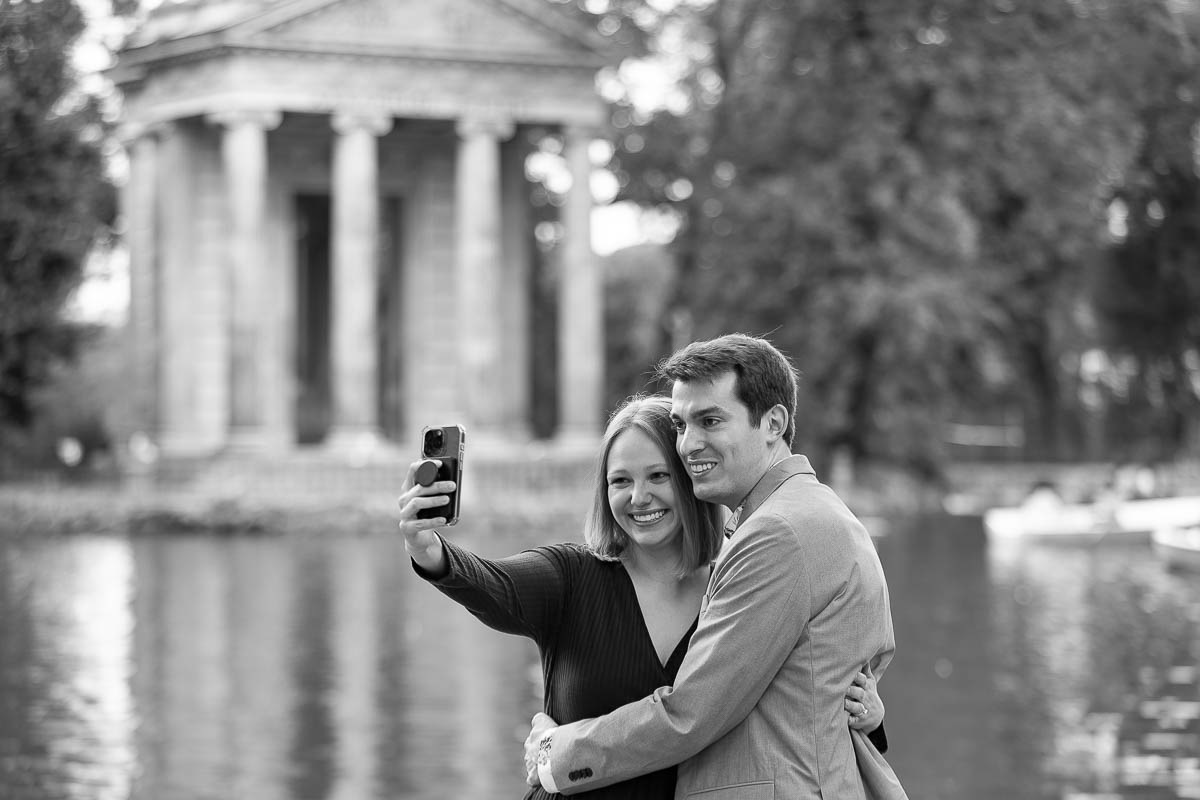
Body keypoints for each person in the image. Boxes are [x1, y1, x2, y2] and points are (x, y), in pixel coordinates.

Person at [398, 395, 887, 799]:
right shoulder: (570, 575)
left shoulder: (740, 586)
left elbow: (798, 701)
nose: (638, 498)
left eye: (658, 477)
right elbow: (490, 584)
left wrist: (870, 717)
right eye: (620, 481)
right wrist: (430, 551)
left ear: (689, 479)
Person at [526, 334, 907, 799]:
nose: (689, 444)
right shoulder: (812, 512)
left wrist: (557, 754)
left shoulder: (778, 534)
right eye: (681, 424)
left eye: (710, 421)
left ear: (773, 423)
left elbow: (692, 713)